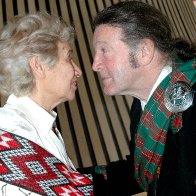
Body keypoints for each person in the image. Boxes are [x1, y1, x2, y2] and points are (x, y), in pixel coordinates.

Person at [92, 1, 196, 196]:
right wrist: (77, 180)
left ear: (143, 52)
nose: (95, 64)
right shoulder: (142, 107)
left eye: (104, 50)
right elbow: (144, 172)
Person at [0, 12, 93, 195]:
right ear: (39, 65)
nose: (78, 71)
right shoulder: (13, 134)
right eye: (68, 58)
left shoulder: (39, 128)